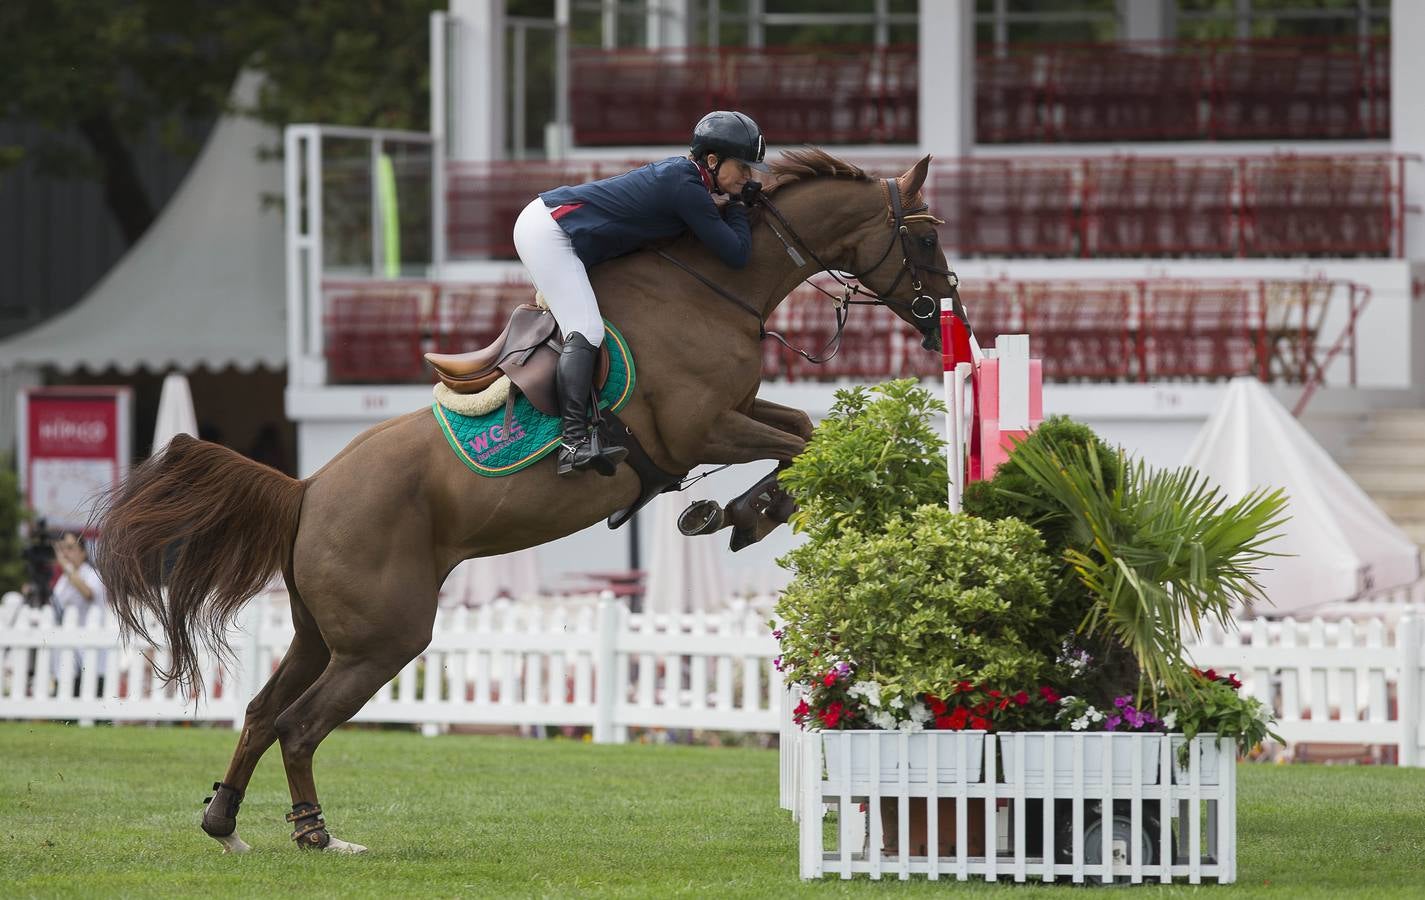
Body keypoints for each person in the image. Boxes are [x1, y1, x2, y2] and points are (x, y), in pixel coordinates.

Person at [516, 110, 769, 477]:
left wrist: (732, 203)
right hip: (549, 232)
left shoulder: (690, 182)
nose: (749, 177)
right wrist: (737, 208)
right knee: (586, 330)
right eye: (743, 168)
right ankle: (573, 442)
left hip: (562, 228)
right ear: (712, 161)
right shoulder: (684, 186)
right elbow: (736, 254)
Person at [49, 531, 108, 692]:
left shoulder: (92, 574)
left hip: (90, 656)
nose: (65, 554)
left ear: (82, 551)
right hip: (67, 654)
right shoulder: (63, 579)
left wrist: (66, 567)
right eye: (62, 549)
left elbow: (88, 593)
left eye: (69, 548)